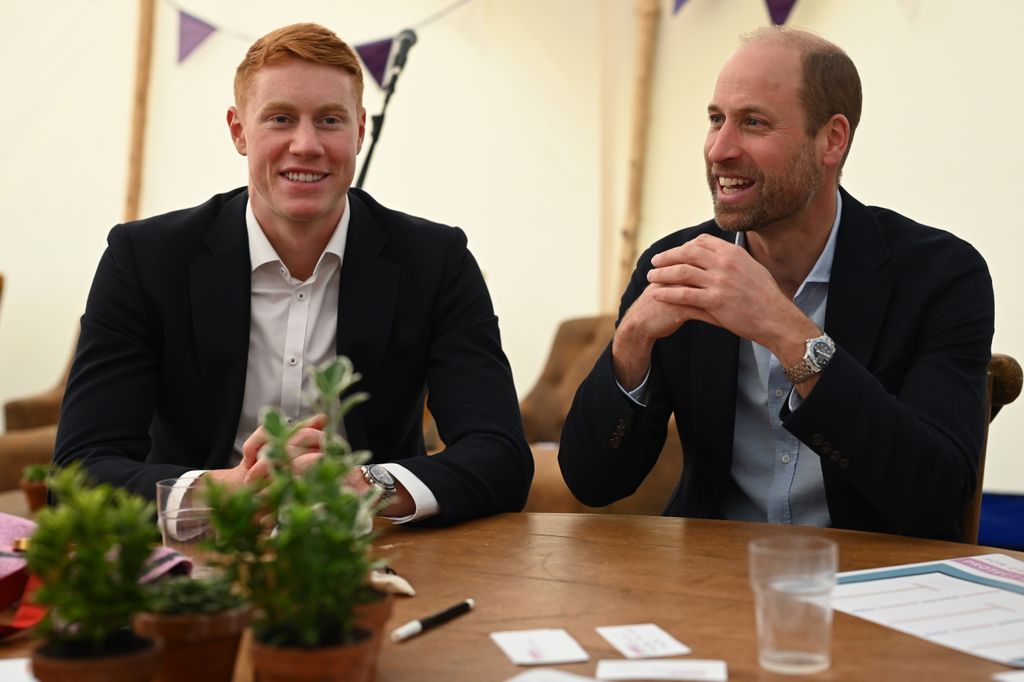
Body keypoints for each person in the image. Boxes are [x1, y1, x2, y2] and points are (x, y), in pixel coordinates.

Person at [54, 23, 532, 526]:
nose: (305, 145)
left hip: (377, 560)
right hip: (199, 557)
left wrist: (361, 486)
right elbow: (79, 473)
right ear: (239, 130)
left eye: (329, 120)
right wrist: (229, 488)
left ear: (360, 131)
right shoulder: (145, 259)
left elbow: (501, 455)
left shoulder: (436, 259)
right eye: (280, 118)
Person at [558, 27, 994, 540]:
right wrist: (630, 343)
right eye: (716, 119)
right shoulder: (676, 265)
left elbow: (936, 491)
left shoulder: (941, 275)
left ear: (832, 139)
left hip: (872, 582)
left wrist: (787, 331)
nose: (719, 150)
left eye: (753, 123)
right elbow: (593, 482)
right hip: (707, 581)